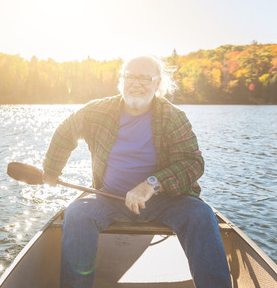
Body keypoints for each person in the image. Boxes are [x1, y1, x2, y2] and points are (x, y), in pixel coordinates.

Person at [42, 56, 232, 288]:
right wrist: (52, 169)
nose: (136, 83)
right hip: (109, 198)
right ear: (121, 79)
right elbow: (65, 132)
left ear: (157, 83)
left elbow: (192, 163)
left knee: (200, 213)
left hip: (165, 200)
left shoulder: (173, 116)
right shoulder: (97, 111)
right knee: (77, 213)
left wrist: (150, 185)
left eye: (145, 78)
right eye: (130, 76)